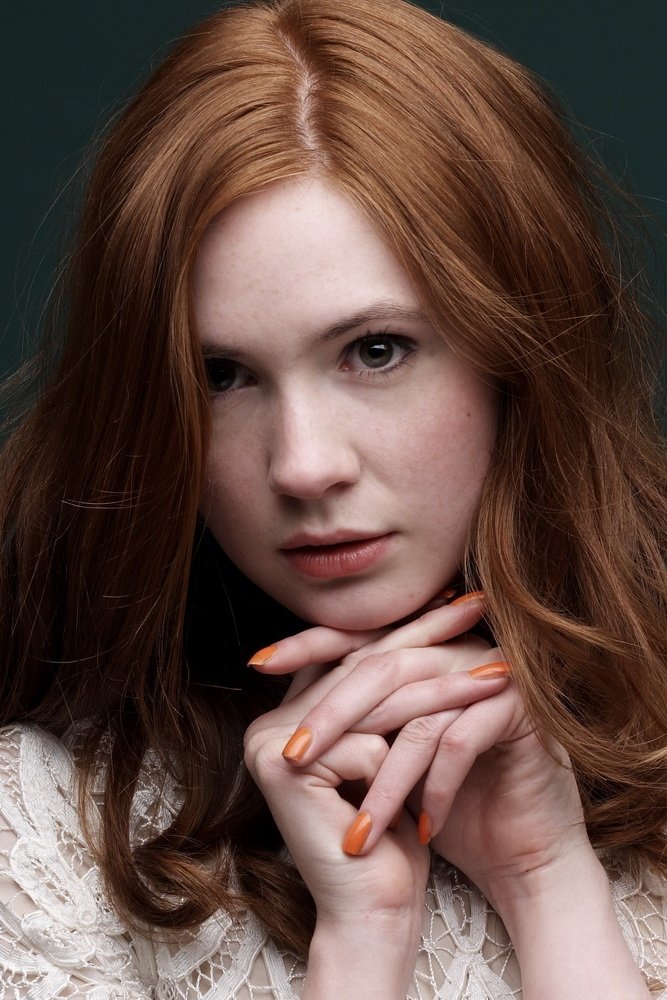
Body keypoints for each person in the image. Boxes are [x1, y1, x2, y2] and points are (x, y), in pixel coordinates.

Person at [0, 0, 665, 996]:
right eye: (222, 376)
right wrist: (362, 943)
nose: (303, 466)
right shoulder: (43, 833)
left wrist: (546, 882)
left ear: (518, 357)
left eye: (375, 350)